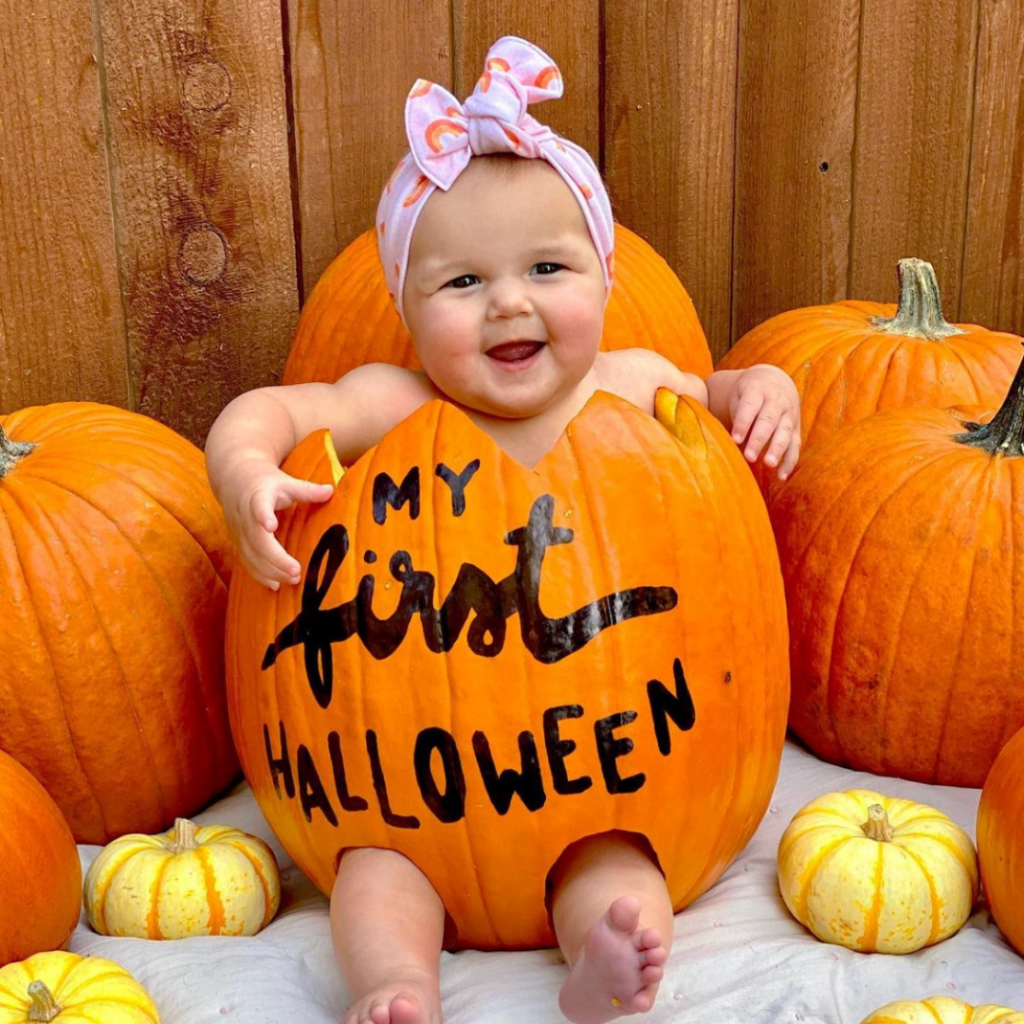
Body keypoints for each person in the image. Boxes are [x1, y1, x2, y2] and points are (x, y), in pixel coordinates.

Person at [206, 36, 800, 1024]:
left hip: (599, 779)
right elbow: (265, 408)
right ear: (404, 303)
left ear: (604, 280)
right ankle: (398, 985)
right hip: (404, 807)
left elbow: (726, 385)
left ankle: (603, 962)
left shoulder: (632, 385)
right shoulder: (387, 402)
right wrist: (245, 470)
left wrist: (764, 392)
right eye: (461, 283)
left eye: (546, 267)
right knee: (370, 878)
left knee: (623, 866)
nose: (508, 302)